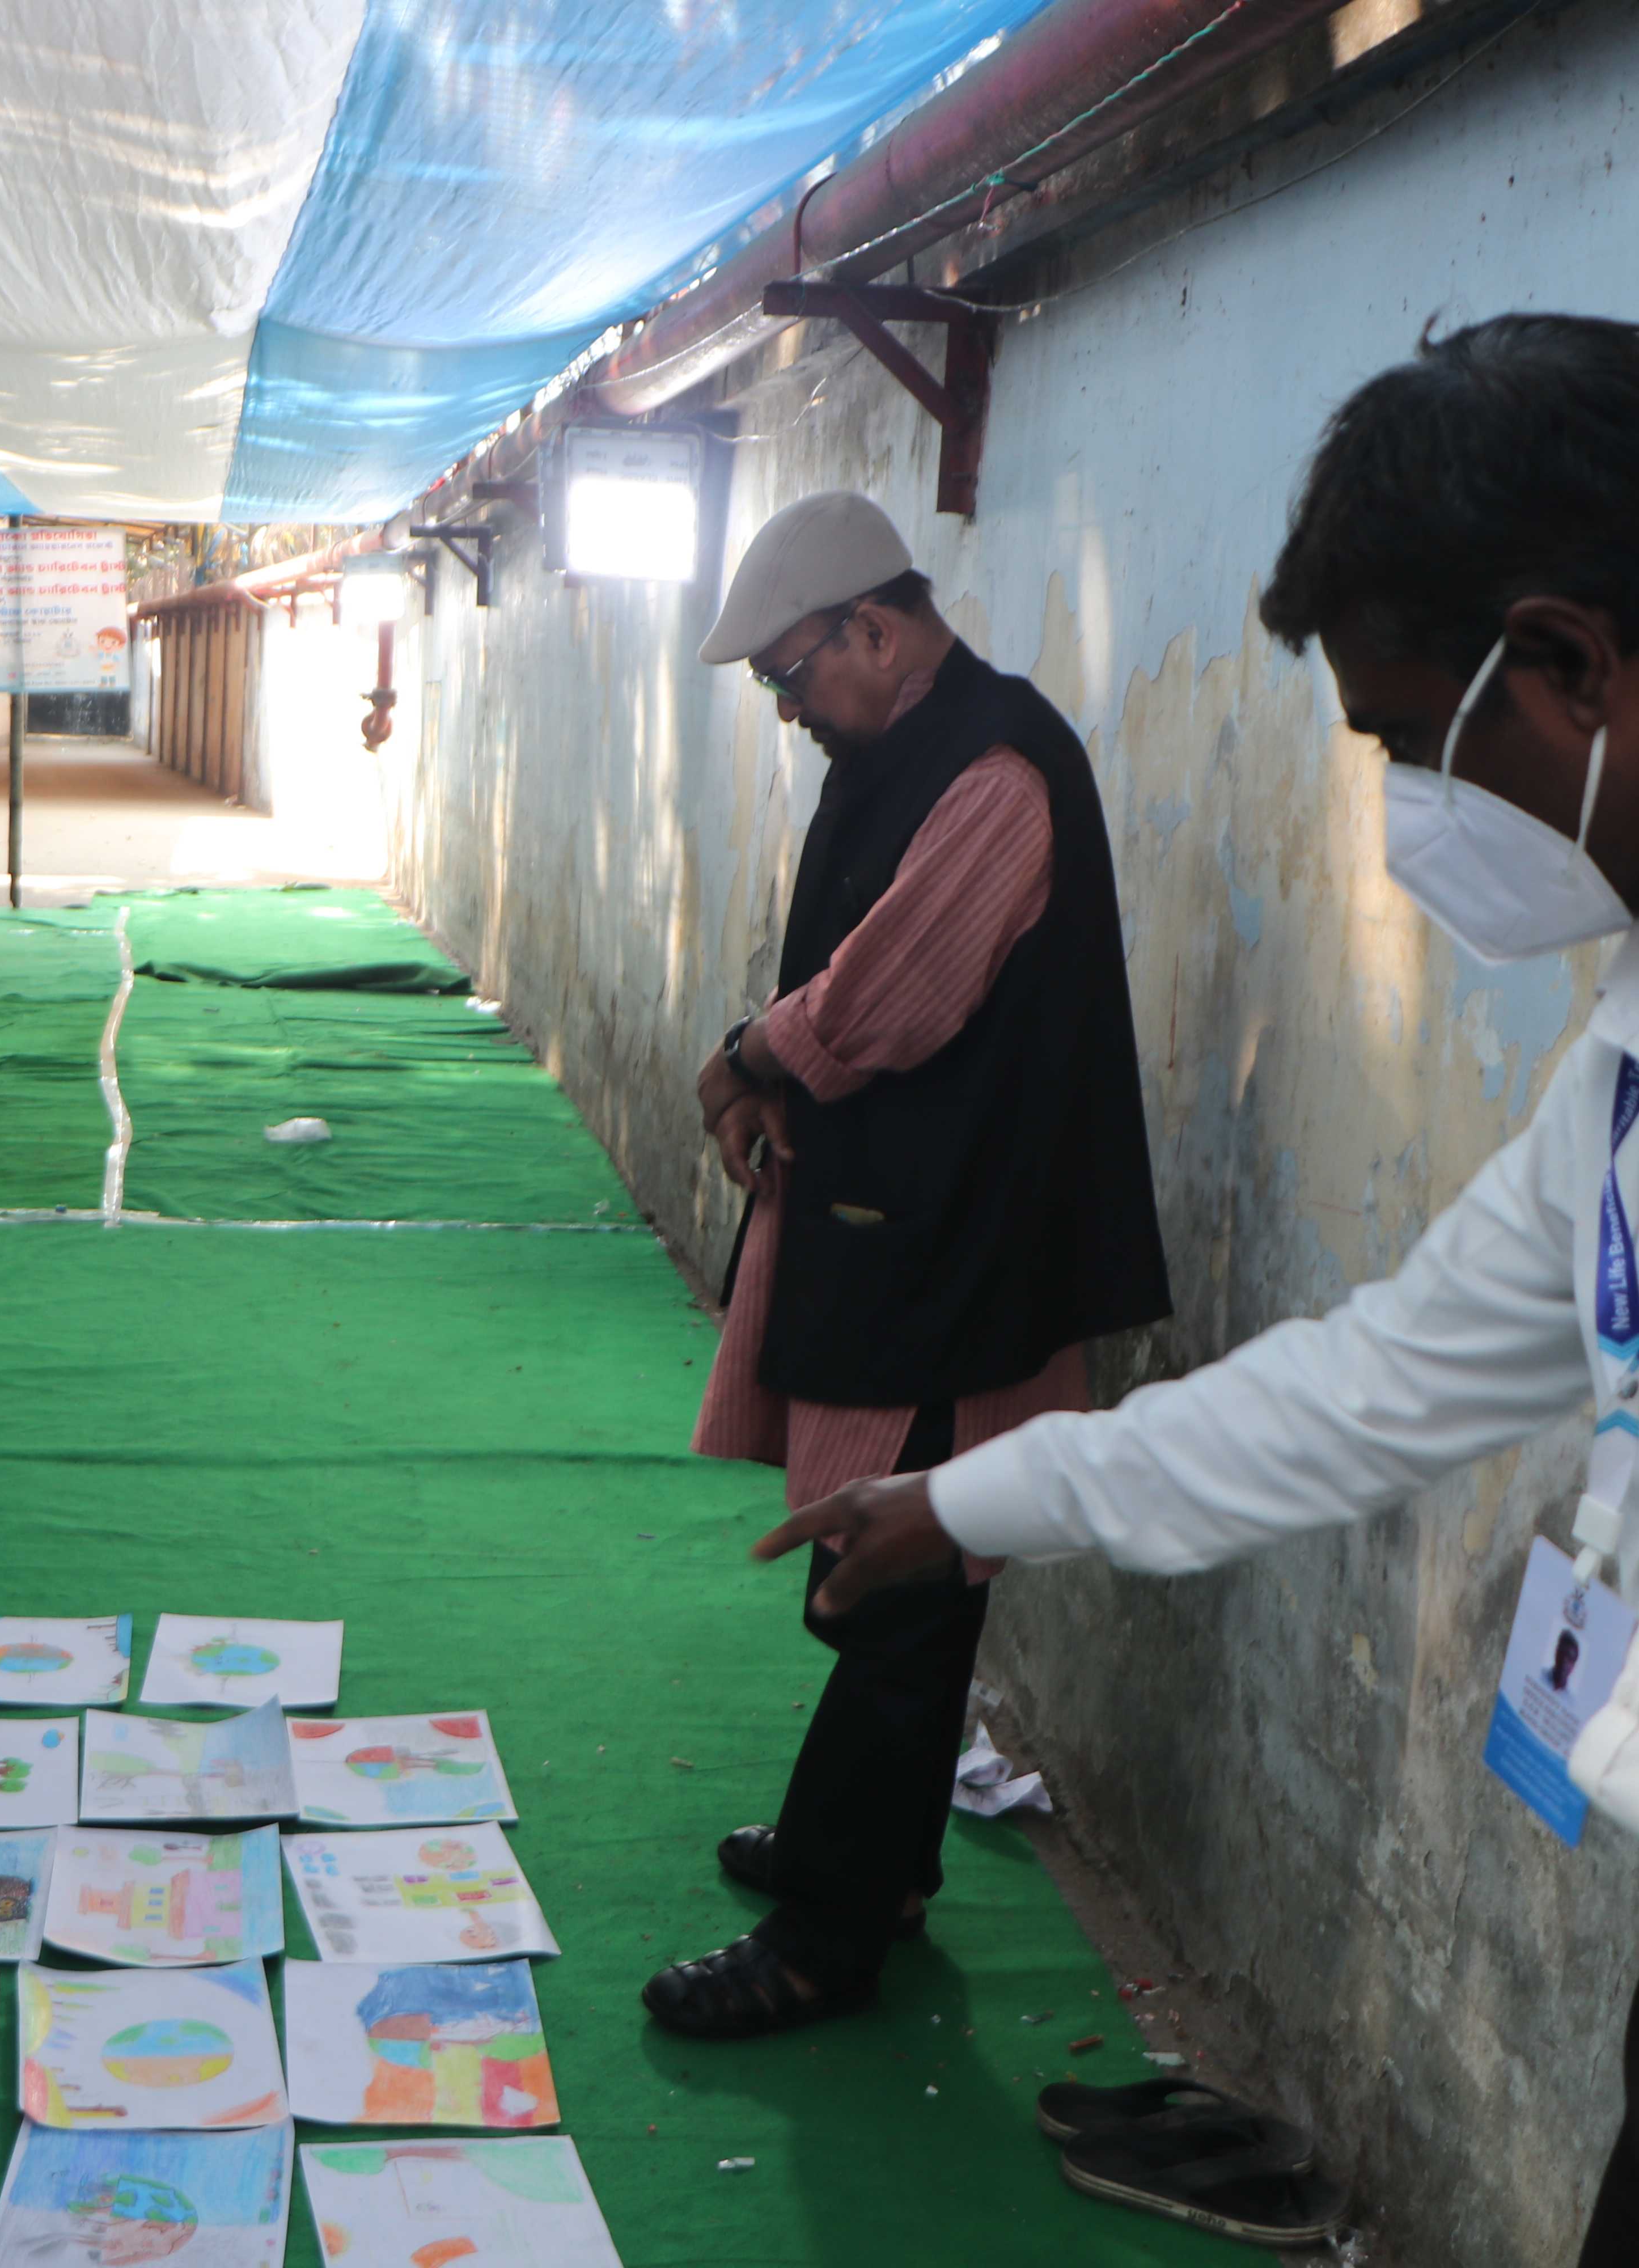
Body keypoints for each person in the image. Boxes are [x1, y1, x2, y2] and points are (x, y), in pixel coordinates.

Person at [766, 316, 1639, 2265]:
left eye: (1411, 746)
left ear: (1567, 665)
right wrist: (972, 1499)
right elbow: (1381, 1378)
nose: (1412, 819)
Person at [644, 490, 1172, 2041]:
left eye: (789, 676)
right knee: (894, 1566)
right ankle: (874, 1864)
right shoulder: (905, 748)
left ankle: (828, 1936)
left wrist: (749, 1053)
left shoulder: (997, 770)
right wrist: (771, 1067)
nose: (788, 710)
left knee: (902, 1585)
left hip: (965, 1252)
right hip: (916, 1231)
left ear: (872, 629)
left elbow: (887, 995)